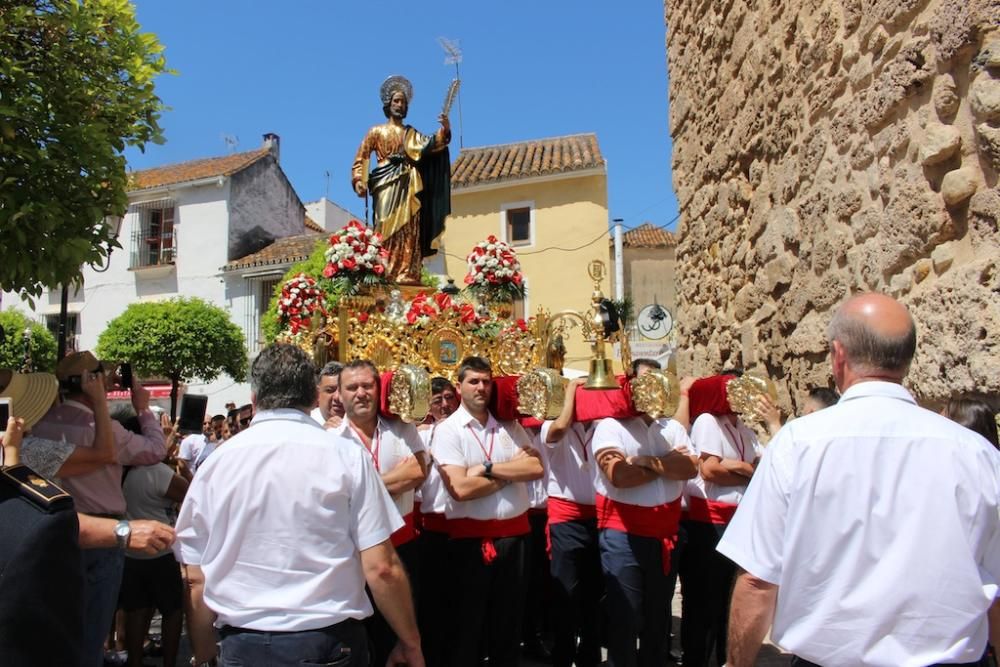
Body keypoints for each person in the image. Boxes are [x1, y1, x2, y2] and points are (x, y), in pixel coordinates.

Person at [719, 293, 1000, 667]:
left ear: (838, 355)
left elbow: (757, 580)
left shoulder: (797, 444)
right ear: (907, 358)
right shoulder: (978, 454)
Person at [174, 343, 422, 667]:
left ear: (255, 399)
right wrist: (411, 642)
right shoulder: (345, 456)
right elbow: (382, 568)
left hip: (242, 645)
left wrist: (204, 651)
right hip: (328, 641)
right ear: (311, 397)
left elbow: (195, 576)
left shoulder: (216, 464)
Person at [32, 351, 166, 667]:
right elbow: (155, 450)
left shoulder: (40, 427)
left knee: (57, 629)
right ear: (91, 382)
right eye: (101, 375)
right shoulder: (104, 430)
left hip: (55, 531)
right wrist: (143, 408)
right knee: (91, 633)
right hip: (104, 535)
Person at [434, 356, 544, 667]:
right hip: (471, 543)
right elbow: (460, 489)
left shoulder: (509, 426)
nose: (481, 388)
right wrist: (508, 477)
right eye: (473, 381)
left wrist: (488, 468)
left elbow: (535, 467)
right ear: (459, 386)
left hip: (516, 539)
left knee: (508, 626)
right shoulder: (448, 431)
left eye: (486, 381)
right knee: (468, 626)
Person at [330, 359, 427, 667]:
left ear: (378, 388)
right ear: (340, 395)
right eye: (352, 387)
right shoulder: (329, 440)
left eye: (367, 385)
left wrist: (362, 487)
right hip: (354, 554)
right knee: (360, 637)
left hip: (403, 547)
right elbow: (336, 495)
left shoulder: (402, 428)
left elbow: (419, 471)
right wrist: (392, 481)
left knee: (399, 633)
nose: (361, 393)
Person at [591, 407, 698, 667]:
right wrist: (667, 462)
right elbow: (620, 475)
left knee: (657, 616)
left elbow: (692, 468)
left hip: (665, 534)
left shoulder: (672, 427)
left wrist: (646, 461)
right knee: (625, 614)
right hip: (624, 535)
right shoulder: (610, 426)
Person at [351, 75, 451, 284]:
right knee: (384, 226)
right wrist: (358, 180)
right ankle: (384, 270)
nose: (400, 105)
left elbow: (431, 144)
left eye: (403, 102)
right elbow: (361, 157)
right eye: (397, 101)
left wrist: (445, 129)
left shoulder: (410, 133)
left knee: (409, 227)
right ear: (388, 104)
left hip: (409, 183)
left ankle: (407, 271)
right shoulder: (376, 131)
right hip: (385, 183)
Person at [682, 397, 759, 667]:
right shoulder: (708, 421)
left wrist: (736, 466)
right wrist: (746, 469)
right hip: (710, 520)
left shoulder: (745, 428)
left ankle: (726, 659)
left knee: (730, 598)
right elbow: (710, 470)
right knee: (705, 599)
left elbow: (760, 467)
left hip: (738, 519)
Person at [540, 377, 602, 667]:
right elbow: (560, 429)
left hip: (600, 517)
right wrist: (571, 393)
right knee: (566, 592)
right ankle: (563, 656)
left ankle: (589, 655)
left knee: (594, 594)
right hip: (566, 518)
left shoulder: (605, 425)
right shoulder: (552, 425)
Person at [120, 456, 188, 667]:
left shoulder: (123, 470)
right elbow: (189, 492)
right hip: (160, 552)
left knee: (137, 610)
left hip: (131, 551)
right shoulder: (156, 471)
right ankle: (169, 663)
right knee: (173, 610)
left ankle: (135, 660)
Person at [416, 376, 459, 667]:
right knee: (432, 602)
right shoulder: (419, 434)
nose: (444, 404)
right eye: (438, 399)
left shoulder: (463, 430)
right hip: (430, 526)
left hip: (462, 524)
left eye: (448, 398)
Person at [757, 386, 840, 437]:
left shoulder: (809, 441)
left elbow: (783, 455)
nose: (803, 412)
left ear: (811, 413)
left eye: (804, 407)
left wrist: (773, 423)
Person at [311, 361, 345, 429]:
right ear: (318, 394)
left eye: (342, 390)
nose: (337, 397)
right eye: (330, 390)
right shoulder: (307, 422)